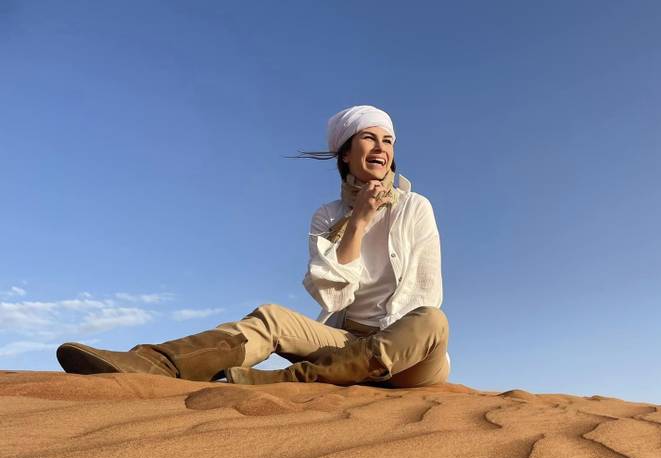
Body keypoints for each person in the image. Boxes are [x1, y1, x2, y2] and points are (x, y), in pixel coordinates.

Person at [56, 105, 451, 388]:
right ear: (346, 152)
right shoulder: (327, 216)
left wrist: (386, 343)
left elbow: (425, 294)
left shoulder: (416, 207)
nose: (381, 147)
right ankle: (153, 362)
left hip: (407, 357)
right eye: (369, 137)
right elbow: (333, 296)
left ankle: (286, 381)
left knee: (434, 320)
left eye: (388, 140)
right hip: (346, 344)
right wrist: (359, 222)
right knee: (270, 316)